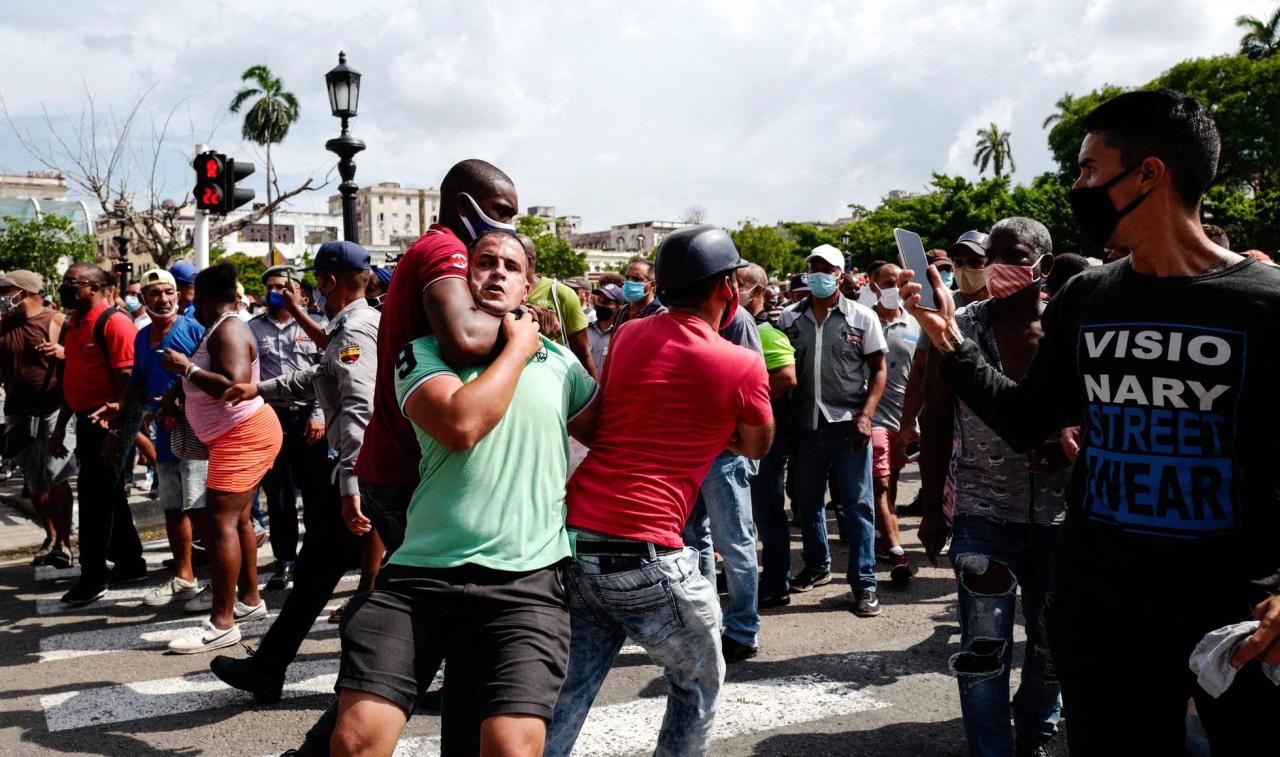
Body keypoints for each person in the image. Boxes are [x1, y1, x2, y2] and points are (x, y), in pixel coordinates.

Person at [901, 89, 1280, 755]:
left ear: (1148, 175)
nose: (1076, 187)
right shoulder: (1088, 296)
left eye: (1087, 170)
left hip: (1236, 618)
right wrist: (950, 344)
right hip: (1102, 609)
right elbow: (1027, 419)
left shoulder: (1264, 305)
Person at [287, 158, 522, 757]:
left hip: (407, 470)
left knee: (430, 620)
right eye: (498, 216)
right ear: (464, 204)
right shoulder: (444, 250)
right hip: (408, 472)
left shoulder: (439, 251)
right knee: (434, 623)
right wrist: (522, 331)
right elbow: (464, 338)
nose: (503, 237)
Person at [330, 231, 596, 757]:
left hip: (527, 583)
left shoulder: (562, 364)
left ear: (528, 286)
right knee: (357, 740)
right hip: (420, 576)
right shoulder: (420, 354)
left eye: (510, 266)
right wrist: (520, 346)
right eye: (484, 262)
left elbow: (610, 438)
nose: (497, 272)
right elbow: (461, 423)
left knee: (509, 748)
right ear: (464, 277)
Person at [546, 225, 773, 757]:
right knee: (699, 681)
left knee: (570, 690)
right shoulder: (740, 363)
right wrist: (707, 428)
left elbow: (608, 415)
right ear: (728, 289)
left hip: (579, 539)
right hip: (646, 551)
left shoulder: (628, 335)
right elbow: (757, 444)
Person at [915, 218, 1070, 757]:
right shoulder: (956, 328)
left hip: (1062, 517)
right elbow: (936, 420)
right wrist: (934, 507)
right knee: (984, 647)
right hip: (983, 513)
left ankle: (1034, 728)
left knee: (1053, 649)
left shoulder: (1067, 329)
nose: (996, 266)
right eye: (990, 254)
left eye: (1013, 255)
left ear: (1043, 267)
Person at [212, 241, 380, 703]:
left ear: (328, 282)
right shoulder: (352, 327)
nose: (314, 290)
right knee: (317, 574)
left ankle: (399, 678)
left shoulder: (354, 332)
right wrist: (258, 389)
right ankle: (269, 667)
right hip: (363, 474)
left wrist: (349, 484)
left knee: (379, 578)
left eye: (317, 282)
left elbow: (357, 410)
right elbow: (316, 377)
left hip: (361, 476)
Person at [161, 262, 283, 653]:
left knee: (220, 522)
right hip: (236, 434)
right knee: (238, 520)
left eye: (194, 298)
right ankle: (249, 600)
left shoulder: (229, 327)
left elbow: (234, 386)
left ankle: (222, 623)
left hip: (243, 433)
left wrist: (187, 368)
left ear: (209, 298)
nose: (190, 307)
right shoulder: (221, 326)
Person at [777, 244, 887, 616]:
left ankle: (864, 584)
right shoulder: (789, 319)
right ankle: (817, 566)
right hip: (805, 426)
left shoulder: (862, 318)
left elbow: (879, 370)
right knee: (807, 504)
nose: (819, 275)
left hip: (849, 427)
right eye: (813, 268)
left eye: (827, 269)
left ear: (841, 275)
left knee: (857, 507)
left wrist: (867, 416)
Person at [106, 269, 209, 607]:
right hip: (164, 435)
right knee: (173, 508)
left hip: (196, 431)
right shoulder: (141, 336)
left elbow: (211, 375)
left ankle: (231, 584)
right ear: (145, 299)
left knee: (201, 509)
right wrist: (120, 408)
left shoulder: (193, 329)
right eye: (155, 294)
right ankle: (184, 578)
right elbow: (137, 379)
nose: (163, 300)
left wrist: (178, 399)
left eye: (168, 293)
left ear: (177, 296)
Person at [681, 261, 767, 663]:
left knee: (735, 543)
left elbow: (752, 388)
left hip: (723, 456)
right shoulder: (680, 317)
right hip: (688, 453)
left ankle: (743, 629)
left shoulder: (739, 321)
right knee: (693, 542)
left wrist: (733, 442)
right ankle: (706, 621)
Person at [52, 264, 145, 605]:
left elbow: (128, 384)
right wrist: (61, 427)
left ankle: (93, 577)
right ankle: (130, 562)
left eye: (71, 283)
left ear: (94, 287)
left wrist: (116, 433)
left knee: (95, 498)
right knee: (108, 493)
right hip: (86, 418)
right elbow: (72, 378)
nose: (65, 287)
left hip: (111, 420)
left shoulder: (115, 322)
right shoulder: (73, 322)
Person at [249, 265, 329, 592]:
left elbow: (327, 374)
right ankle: (285, 561)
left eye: (282, 286)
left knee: (314, 492)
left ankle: (315, 558)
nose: (275, 291)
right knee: (278, 494)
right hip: (272, 418)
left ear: (298, 293)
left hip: (309, 417)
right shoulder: (252, 329)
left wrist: (319, 415)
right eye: (270, 286)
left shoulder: (316, 326)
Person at [0, 270, 76, 568]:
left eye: (6, 290)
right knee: (35, 482)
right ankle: (52, 536)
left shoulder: (57, 322)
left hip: (54, 411)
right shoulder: (4, 326)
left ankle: (65, 545)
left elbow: (82, 361)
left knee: (57, 476)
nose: (2, 297)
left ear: (27, 292)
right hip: (18, 413)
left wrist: (62, 353)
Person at [740, 263, 799, 608]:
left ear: (758, 290)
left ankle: (777, 581)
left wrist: (748, 405)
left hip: (765, 438)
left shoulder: (767, 332)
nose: (733, 290)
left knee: (767, 512)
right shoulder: (736, 328)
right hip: (747, 436)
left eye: (741, 285)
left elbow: (787, 378)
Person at [866, 260, 921, 585]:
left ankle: (886, 537)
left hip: (906, 423)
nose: (891, 289)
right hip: (874, 421)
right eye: (886, 283)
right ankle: (898, 552)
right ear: (873, 286)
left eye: (897, 282)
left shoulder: (914, 324)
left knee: (893, 485)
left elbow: (921, 376)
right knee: (881, 485)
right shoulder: (863, 321)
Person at [520, 234, 598, 377]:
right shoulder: (501, 294)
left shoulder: (562, 294)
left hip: (556, 380)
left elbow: (583, 354)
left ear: (527, 260)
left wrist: (595, 395)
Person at [614, 257, 663, 328]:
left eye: (636, 279)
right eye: (627, 277)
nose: (629, 282)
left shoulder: (661, 315)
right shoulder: (622, 311)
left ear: (652, 284)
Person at [586, 283, 624, 370]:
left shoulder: (622, 334)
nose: (600, 304)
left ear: (618, 307)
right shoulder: (586, 331)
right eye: (599, 300)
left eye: (605, 302)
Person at [951, 230, 990, 307]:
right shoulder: (942, 305)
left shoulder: (1007, 305)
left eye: (974, 262)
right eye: (959, 262)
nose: (964, 269)